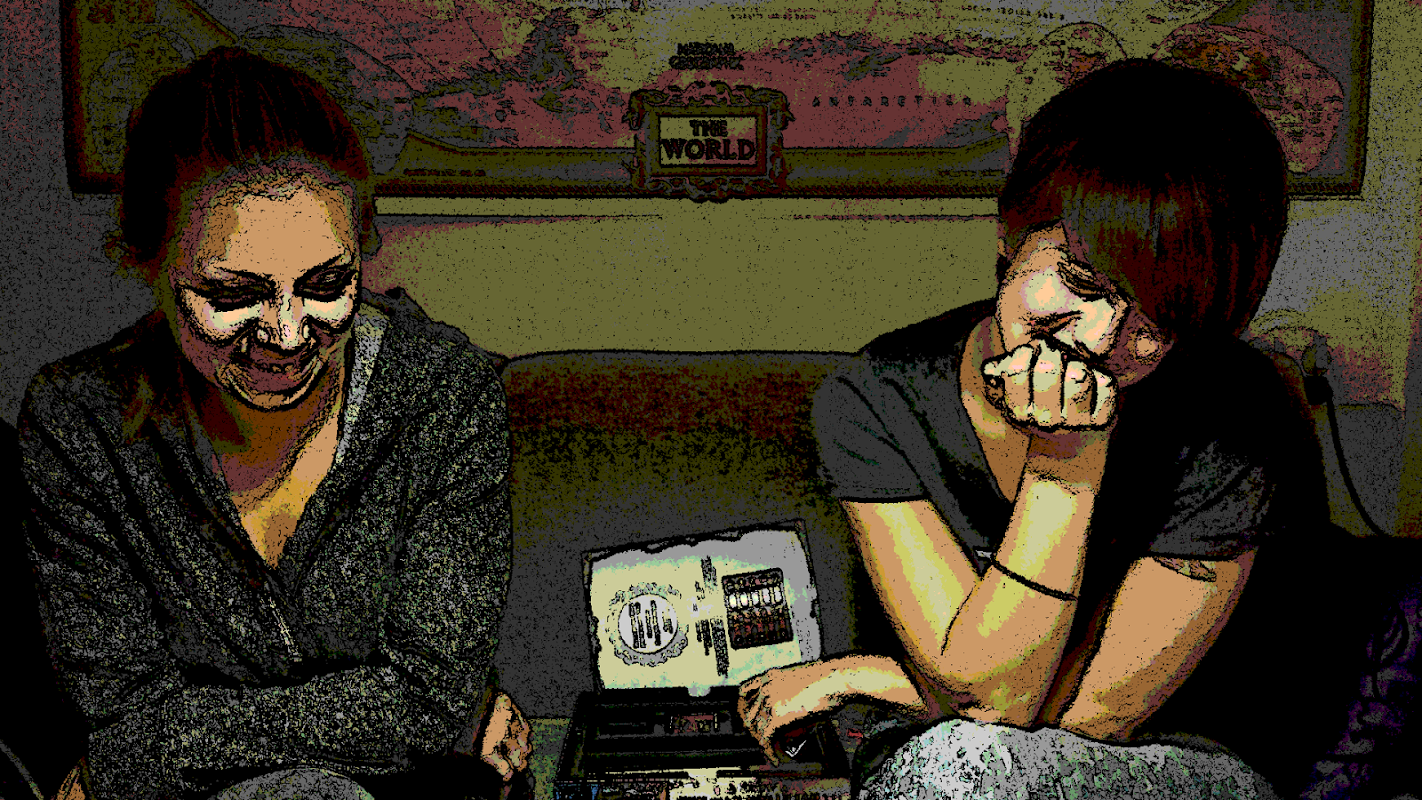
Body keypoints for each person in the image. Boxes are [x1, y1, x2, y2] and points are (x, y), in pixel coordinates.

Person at [737, 58, 1324, 794]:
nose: (1099, 339)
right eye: (1080, 282)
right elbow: (987, 703)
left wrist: (1066, 459)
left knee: (958, 765)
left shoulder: (1236, 417)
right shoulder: (877, 398)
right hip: (948, 759)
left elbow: (1088, 716)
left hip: (1169, 761)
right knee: (948, 764)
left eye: (1157, 321)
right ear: (1009, 232)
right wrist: (950, 692)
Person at [19, 47, 530, 800]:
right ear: (149, 261)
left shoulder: (443, 396)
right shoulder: (78, 425)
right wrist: (402, 715)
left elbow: (428, 702)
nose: (288, 337)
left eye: (327, 284)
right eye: (233, 296)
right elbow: (119, 713)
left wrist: (152, 749)